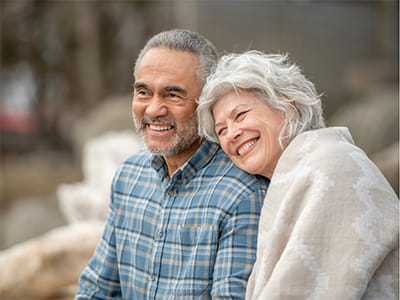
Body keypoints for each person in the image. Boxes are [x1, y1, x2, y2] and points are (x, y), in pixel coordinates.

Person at [75, 30, 269, 299]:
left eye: (173, 95)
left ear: (207, 102)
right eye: (143, 92)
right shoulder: (129, 175)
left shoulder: (242, 194)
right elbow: (98, 289)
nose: (153, 110)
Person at [197, 50, 399, 300]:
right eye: (221, 130)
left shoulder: (332, 166)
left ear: (287, 107)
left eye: (240, 115)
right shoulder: (295, 172)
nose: (231, 134)